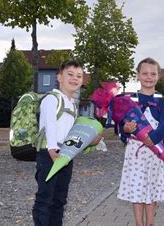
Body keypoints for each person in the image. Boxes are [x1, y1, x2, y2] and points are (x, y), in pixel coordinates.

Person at [33, 60, 99, 225]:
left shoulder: (72, 105)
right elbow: (50, 124)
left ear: (82, 81)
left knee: (59, 200)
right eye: (70, 74)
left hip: (64, 156)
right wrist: (52, 149)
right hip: (50, 154)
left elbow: (73, 135)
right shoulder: (52, 99)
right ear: (59, 77)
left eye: (79, 76)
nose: (74, 78)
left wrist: (92, 141)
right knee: (45, 199)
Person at [117, 57, 164, 226]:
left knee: (152, 186)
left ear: (158, 76)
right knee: (137, 186)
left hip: (155, 150)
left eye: (153, 73)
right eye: (145, 73)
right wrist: (125, 130)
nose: (149, 77)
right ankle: (139, 223)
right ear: (138, 75)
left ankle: (151, 223)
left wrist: (152, 139)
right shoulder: (129, 101)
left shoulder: (162, 100)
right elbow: (121, 124)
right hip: (135, 152)